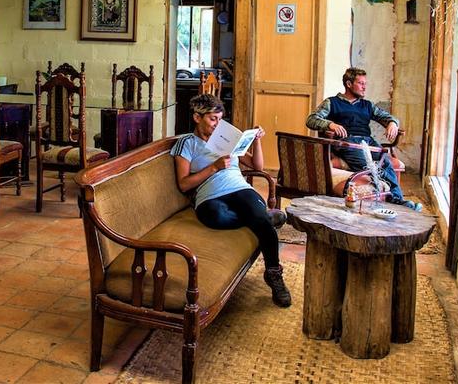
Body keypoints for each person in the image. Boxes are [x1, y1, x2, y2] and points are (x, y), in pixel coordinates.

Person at [171, 94, 291, 307]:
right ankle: (263, 218)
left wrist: (257, 140)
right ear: (197, 118)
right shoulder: (187, 144)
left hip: (239, 188)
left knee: (256, 216)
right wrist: (213, 167)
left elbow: (257, 166)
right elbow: (184, 184)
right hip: (209, 196)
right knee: (217, 217)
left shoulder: (226, 141)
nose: (217, 124)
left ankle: (274, 274)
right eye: (212, 119)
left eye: (219, 119)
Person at [306, 67, 421, 210]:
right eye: (361, 83)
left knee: (385, 162)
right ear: (349, 84)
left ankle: (398, 199)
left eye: (365, 83)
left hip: (368, 142)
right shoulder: (332, 102)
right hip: (347, 142)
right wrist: (330, 124)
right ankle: (392, 199)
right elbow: (311, 120)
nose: (364, 87)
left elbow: (386, 117)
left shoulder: (367, 105)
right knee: (370, 166)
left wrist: (393, 123)